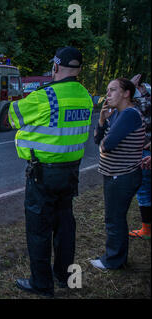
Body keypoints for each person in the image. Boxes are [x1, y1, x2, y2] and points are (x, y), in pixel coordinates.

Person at [8, 47, 93, 297]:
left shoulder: (46, 97)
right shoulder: (85, 96)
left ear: (55, 67)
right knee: (65, 226)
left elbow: (13, 117)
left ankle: (42, 284)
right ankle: (64, 276)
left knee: (39, 229)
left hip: (42, 175)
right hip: (71, 173)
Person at [92, 78, 145, 270]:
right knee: (114, 217)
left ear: (126, 93)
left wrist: (104, 141)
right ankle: (116, 258)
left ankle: (113, 261)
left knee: (114, 218)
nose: (108, 95)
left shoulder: (129, 114)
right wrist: (101, 120)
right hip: (114, 173)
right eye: (107, 90)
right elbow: (97, 139)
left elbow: (107, 145)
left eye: (113, 90)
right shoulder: (116, 114)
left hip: (122, 175)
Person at [129, 74, 151, 239]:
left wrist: (129, 86)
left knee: (144, 190)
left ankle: (147, 229)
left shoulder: (139, 106)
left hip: (144, 151)